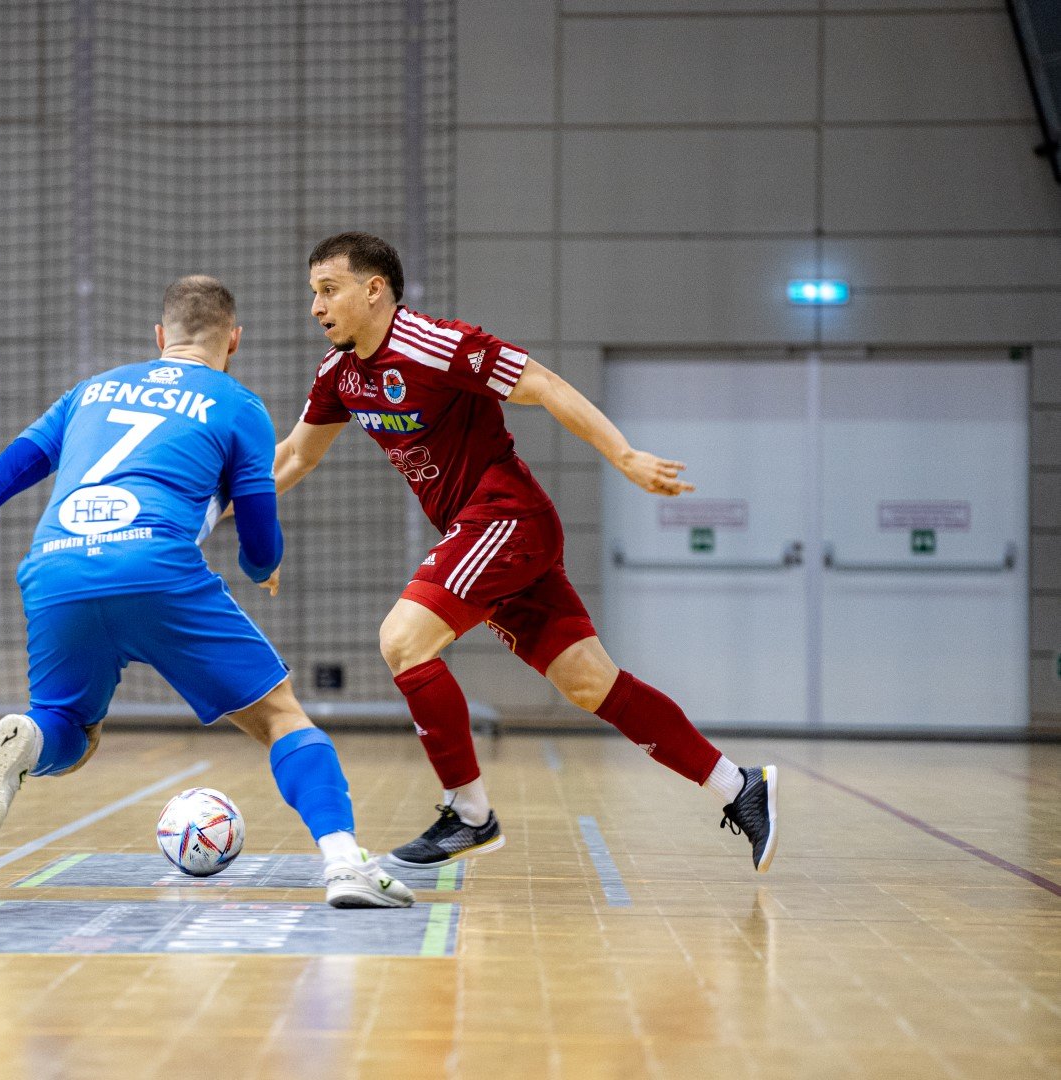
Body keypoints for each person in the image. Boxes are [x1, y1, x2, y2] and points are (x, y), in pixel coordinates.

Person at [0, 275, 415, 909]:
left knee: (68, 726)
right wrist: (264, 568)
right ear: (234, 340)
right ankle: (344, 864)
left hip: (55, 567)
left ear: (159, 337)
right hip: (155, 567)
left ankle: (31, 740)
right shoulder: (238, 405)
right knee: (281, 717)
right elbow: (260, 539)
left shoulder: (88, 393)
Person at [267, 232, 778, 872]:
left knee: (402, 640)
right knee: (589, 683)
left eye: (328, 290)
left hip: (506, 518)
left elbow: (543, 383)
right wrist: (213, 504)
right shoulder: (339, 373)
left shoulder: (436, 344)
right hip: (486, 535)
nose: (316, 306)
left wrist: (624, 455)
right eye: (312, 292)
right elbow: (294, 456)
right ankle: (739, 786)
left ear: (374, 290)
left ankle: (469, 815)